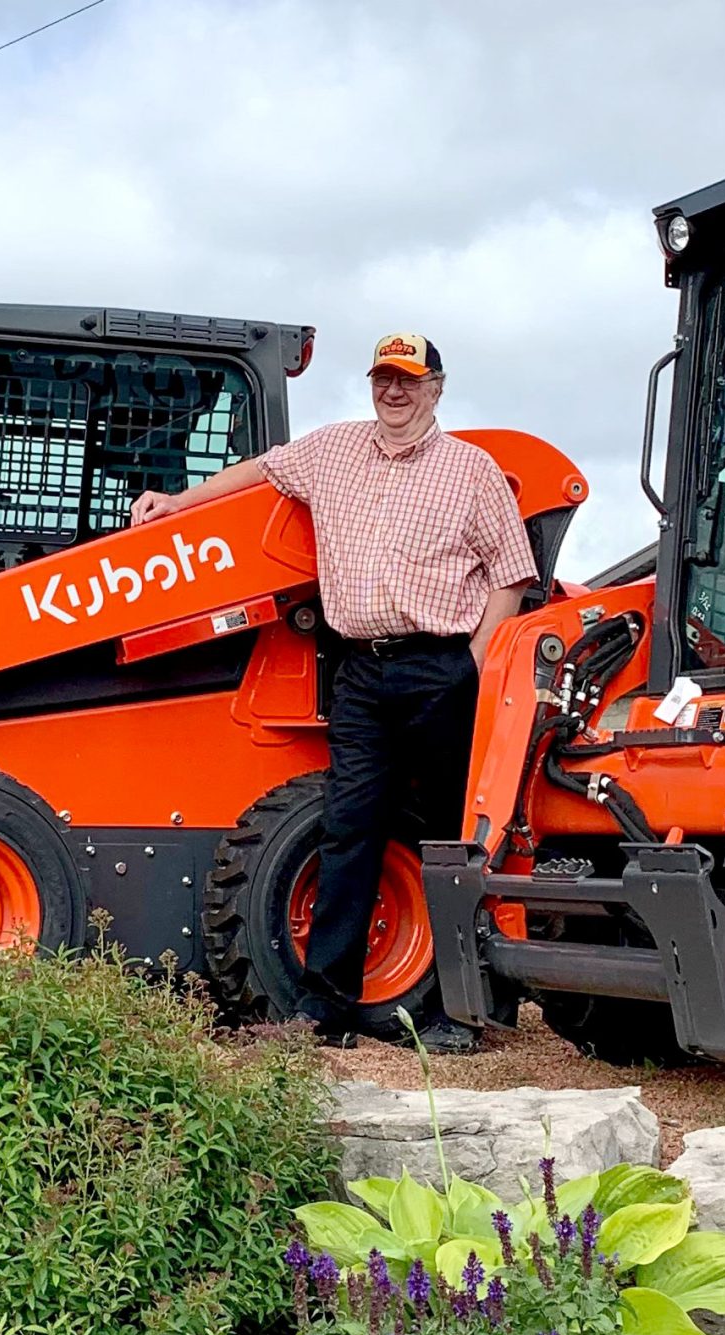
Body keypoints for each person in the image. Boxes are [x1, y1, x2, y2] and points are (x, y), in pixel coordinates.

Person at [128, 332, 535, 1049]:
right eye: (384, 378)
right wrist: (177, 502)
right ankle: (326, 1009)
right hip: (360, 673)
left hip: (439, 670)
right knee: (349, 830)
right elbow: (260, 470)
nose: (394, 391)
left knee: (449, 837)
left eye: (409, 379)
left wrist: (473, 662)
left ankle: (461, 1012)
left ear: (436, 388)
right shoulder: (332, 450)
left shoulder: (471, 471)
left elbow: (512, 574)